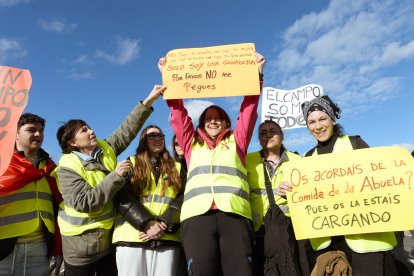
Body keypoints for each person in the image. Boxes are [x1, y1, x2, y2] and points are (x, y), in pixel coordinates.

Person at [158, 53, 265, 275]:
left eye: (218, 117)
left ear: (227, 122)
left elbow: (249, 109)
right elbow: (178, 115)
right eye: (208, 118)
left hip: (234, 215)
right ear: (202, 124)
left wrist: (256, 75)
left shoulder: (238, 141)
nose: (213, 120)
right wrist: (170, 78)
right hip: (197, 218)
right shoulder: (190, 144)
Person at [278, 95, 398, 276]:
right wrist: (291, 193)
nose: (318, 126)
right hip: (329, 244)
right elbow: (308, 196)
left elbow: (379, 180)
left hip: (364, 241)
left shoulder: (355, 144)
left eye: (322, 119)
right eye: (311, 122)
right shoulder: (308, 158)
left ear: (333, 119)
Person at [54, 85, 165, 276]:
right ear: (73, 143)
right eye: (83, 130)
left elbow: (127, 128)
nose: (91, 131)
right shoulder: (67, 167)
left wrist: (149, 100)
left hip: (106, 243)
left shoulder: (105, 148)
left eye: (89, 127)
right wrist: (115, 176)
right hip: (80, 250)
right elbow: (84, 203)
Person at [113, 125, 185, 276]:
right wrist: (146, 223)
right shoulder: (131, 163)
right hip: (132, 237)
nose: (157, 139)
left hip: (166, 236)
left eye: (160, 136)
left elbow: (184, 198)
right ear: (143, 141)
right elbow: (122, 196)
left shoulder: (177, 168)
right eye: (152, 136)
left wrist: (164, 223)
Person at [0, 113, 62, 276]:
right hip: (4, 247)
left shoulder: (50, 167)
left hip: (39, 248)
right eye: (31, 130)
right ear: (16, 133)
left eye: (41, 130)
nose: (38, 134)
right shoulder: (3, 163)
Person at [246, 120, 303, 276]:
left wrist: (295, 190)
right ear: (258, 138)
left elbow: (309, 193)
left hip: (288, 230)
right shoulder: (247, 161)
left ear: (282, 136)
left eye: (273, 131)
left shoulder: (297, 161)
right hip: (258, 231)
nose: (268, 135)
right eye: (263, 133)